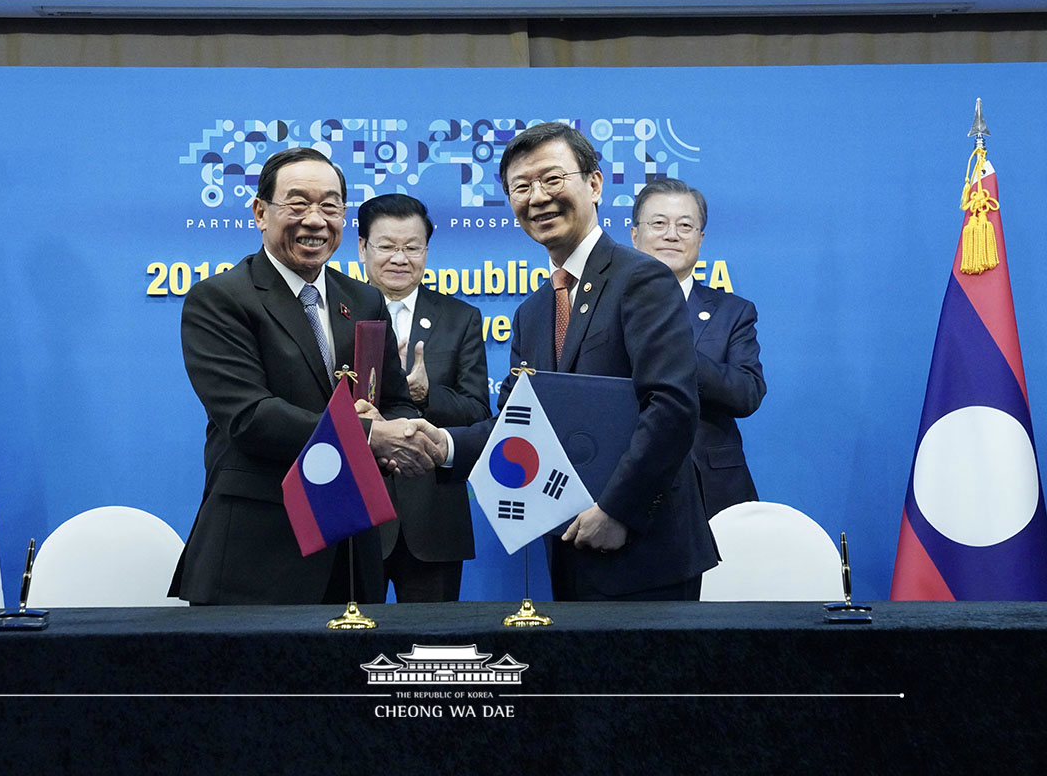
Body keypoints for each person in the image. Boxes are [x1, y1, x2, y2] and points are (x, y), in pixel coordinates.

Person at [437, 122, 718, 601]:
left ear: (593, 183)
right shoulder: (533, 311)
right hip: (569, 547)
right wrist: (439, 443)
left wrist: (618, 510)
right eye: (521, 187)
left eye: (552, 179)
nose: (537, 197)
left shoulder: (642, 279)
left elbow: (671, 407)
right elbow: (516, 425)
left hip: (647, 552)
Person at [169, 148, 443, 606]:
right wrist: (368, 434)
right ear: (260, 212)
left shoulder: (364, 301)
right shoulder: (219, 300)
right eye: (297, 204)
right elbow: (250, 417)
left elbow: (393, 400)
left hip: (351, 551)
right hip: (258, 554)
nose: (315, 220)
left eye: (330, 206)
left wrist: (402, 432)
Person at [357, 194, 491, 602]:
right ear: (362, 247)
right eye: (387, 246)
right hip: (355, 514)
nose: (400, 258)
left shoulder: (460, 318)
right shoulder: (337, 313)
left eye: (412, 247)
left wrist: (427, 394)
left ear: (426, 251)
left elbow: (479, 412)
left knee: (432, 647)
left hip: (434, 518)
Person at [630, 178, 766, 518]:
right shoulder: (605, 309)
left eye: (685, 226)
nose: (671, 234)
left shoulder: (734, 312)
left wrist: (679, 355)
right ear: (635, 235)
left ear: (700, 240)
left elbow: (747, 393)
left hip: (712, 494)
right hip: (626, 489)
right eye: (658, 223)